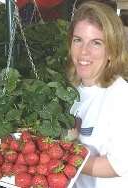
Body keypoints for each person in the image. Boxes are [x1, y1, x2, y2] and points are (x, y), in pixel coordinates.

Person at [66, 1, 128, 188]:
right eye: (78, 40)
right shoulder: (72, 90)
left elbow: (118, 165)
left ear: (111, 51)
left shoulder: (120, 98)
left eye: (96, 43)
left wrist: (62, 160)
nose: (84, 52)